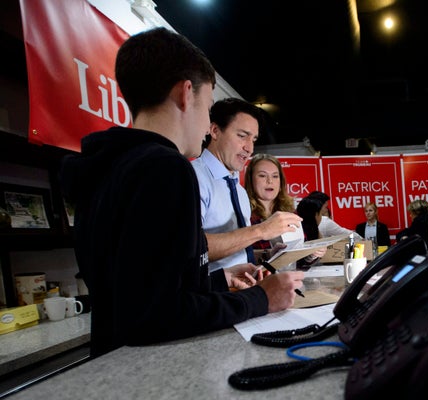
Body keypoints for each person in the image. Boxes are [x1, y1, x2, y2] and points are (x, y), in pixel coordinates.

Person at [59, 27, 304, 357]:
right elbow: (158, 316)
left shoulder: (110, 165)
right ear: (186, 93)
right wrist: (261, 298)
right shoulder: (166, 168)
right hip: (153, 367)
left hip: (112, 358)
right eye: (207, 108)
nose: (206, 127)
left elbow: (140, 291)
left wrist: (218, 281)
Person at [192, 98, 302, 271]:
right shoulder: (193, 178)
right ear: (214, 131)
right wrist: (261, 231)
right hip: (208, 295)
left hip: (240, 292)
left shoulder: (239, 191)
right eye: (242, 136)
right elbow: (191, 248)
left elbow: (235, 252)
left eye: (254, 140)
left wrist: (267, 255)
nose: (249, 148)